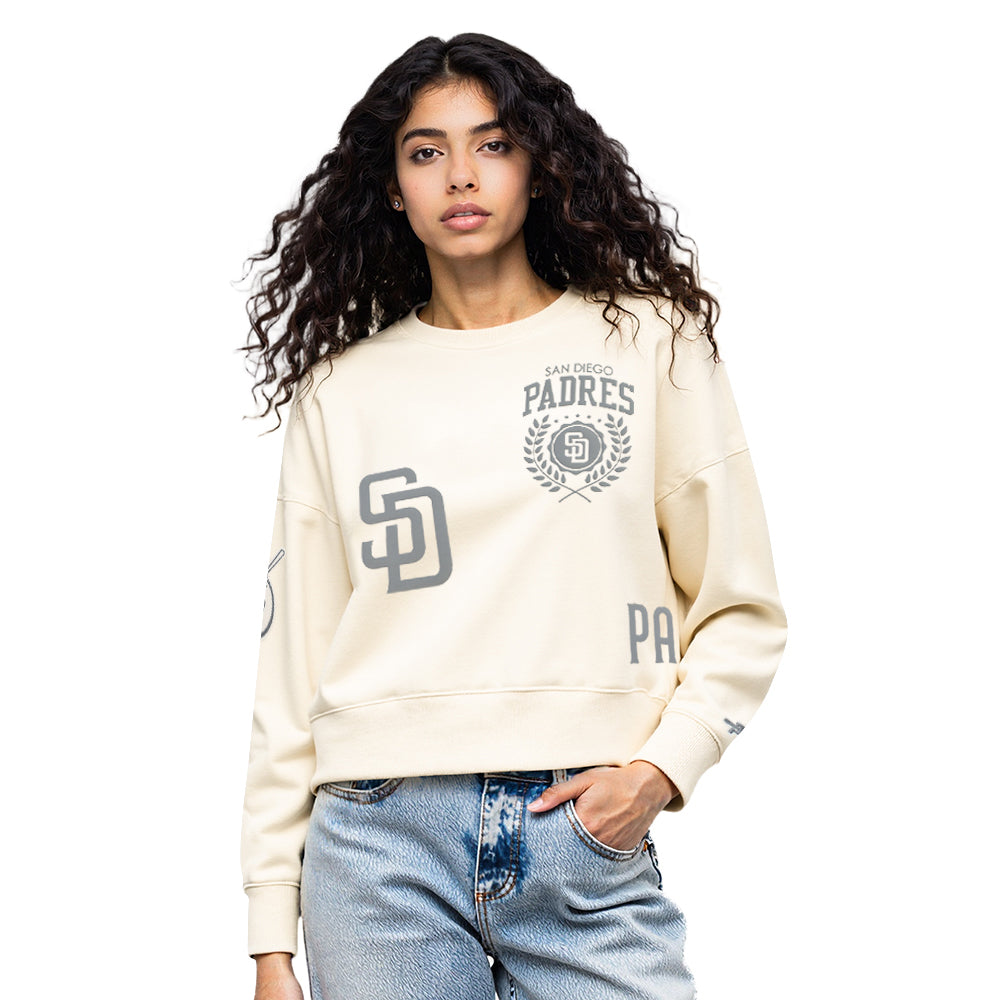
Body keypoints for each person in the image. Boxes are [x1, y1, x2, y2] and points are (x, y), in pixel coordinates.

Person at [239, 32, 786, 1000]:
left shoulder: (649, 345)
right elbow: (293, 671)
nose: (461, 174)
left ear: (539, 166)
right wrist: (270, 932)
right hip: (375, 846)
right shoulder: (341, 392)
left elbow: (741, 606)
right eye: (426, 151)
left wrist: (659, 770)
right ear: (392, 187)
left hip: (580, 828)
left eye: (493, 144)